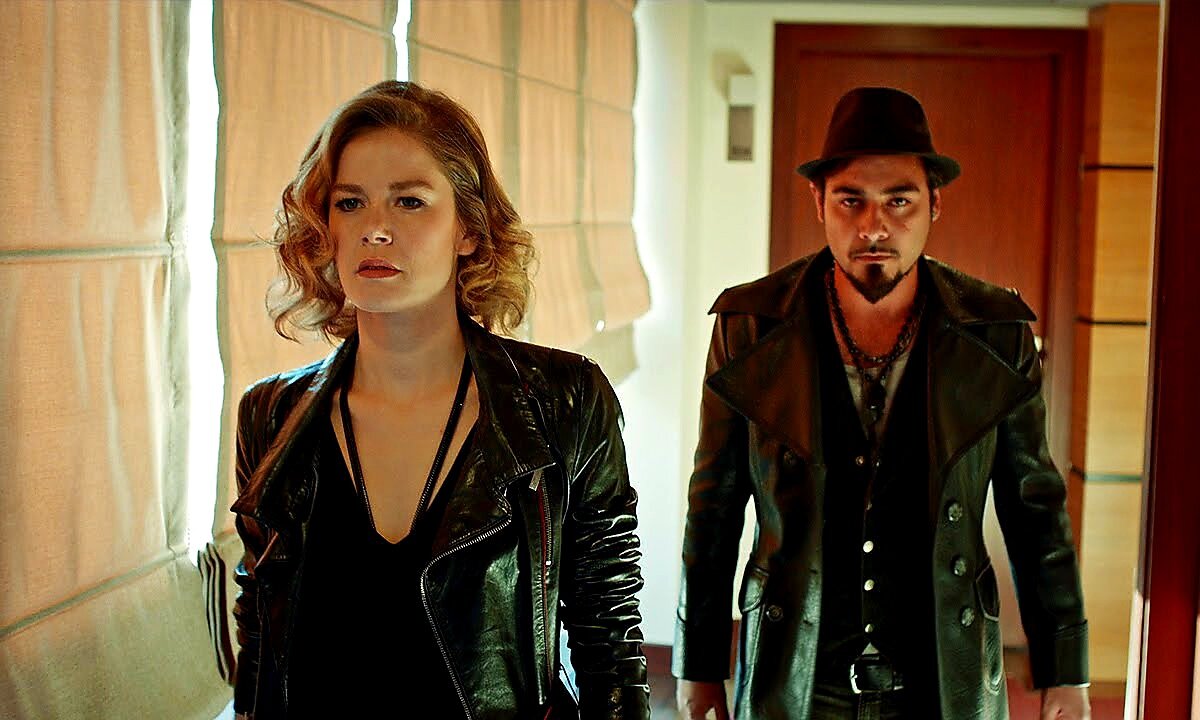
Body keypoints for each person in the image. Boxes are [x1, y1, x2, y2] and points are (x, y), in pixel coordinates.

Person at [229, 80, 650, 719]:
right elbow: (260, 632)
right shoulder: (271, 416)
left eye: (409, 201)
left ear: (468, 230)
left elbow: (608, 629)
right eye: (350, 203)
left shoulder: (562, 400)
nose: (375, 229)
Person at [672, 87, 1090, 720]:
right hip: (795, 665)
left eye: (899, 200)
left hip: (942, 670)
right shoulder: (749, 326)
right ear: (818, 201)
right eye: (851, 200)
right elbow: (713, 506)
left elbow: (1035, 508)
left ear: (934, 204)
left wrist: (1066, 668)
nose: (874, 227)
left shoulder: (997, 332)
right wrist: (698, 665)